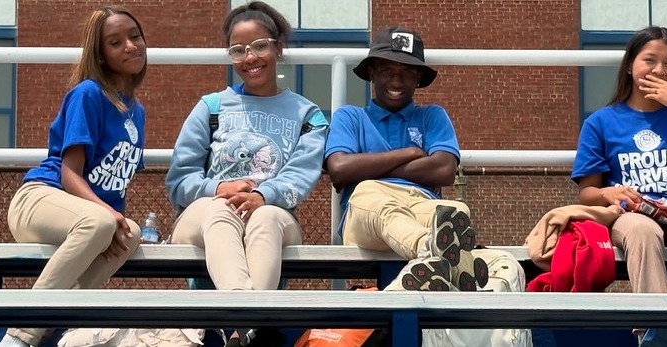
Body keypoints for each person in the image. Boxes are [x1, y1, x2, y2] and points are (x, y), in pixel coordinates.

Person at [164, 1, 327, 345]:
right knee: (221, 210)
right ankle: (248, 318)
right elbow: (179, 180)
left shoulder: (307, 114)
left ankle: (239, 324)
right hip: (204, 214)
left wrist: (262, 195)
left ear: (278, 47)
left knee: (265, 217)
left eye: (259, 46)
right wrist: (221, 186)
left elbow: (301, 176)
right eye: (238, 51)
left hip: (274, 215)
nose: (250, 58)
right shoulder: (210, 106)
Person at [0, 6, 147, 347]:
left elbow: (115, 187)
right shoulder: (88, 94)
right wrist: (107, 214)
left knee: (131, 233)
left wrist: (114, 217)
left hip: (85, 213)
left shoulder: (137, 111)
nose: (130, 46)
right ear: (101, 55)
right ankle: (19, 337)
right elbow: (69, 174)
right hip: (40, 199)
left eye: (135, 36)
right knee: (100, 224)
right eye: (115, 42)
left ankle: (60, 328)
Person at [571, 26, 667, 347]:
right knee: (641, 231)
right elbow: (587, 193)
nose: (658, 70)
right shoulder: (600, 122)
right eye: (649, 60)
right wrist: (608, 193)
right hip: (630, 214)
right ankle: (660, 333)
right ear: (630, 65)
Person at [324, 26, 488, 292]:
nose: (397, 81)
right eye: (388, 71)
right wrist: (410, 153)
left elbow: (445, 169)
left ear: (418, 78)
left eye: (407, 73)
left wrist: (366, 165)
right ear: (372, 73)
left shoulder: (432, 116)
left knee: (456, 212)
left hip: (419, 202)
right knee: (372, 195)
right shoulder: (350, 116)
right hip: (366, 212)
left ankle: (430, 263)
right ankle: (429, 248)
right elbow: (340, 170)